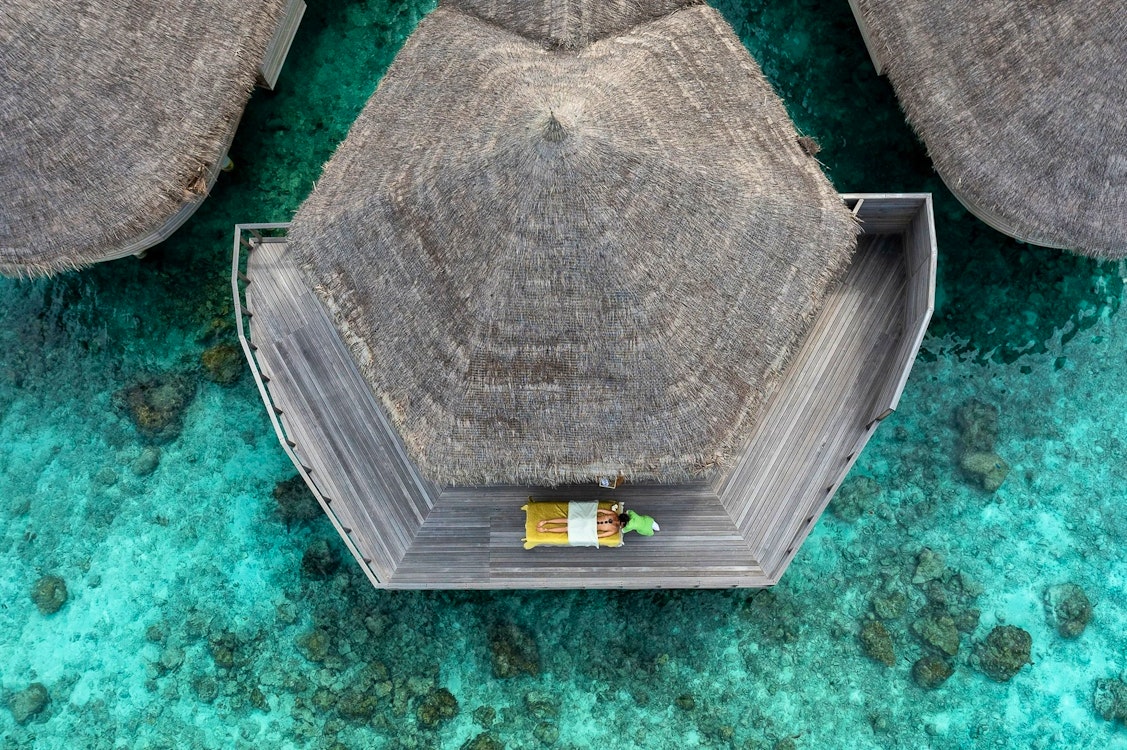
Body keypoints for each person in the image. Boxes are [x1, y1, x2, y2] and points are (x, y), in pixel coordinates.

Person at [536, 510, 628, 538]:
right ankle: (546, 525)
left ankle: (546, 526)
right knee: (568, 523)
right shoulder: (614, 526)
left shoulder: (613, 518)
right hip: (589, 522)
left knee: (568, 523)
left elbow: (599, 510)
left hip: (589, 525)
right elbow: (602, 535)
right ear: (622, 523)